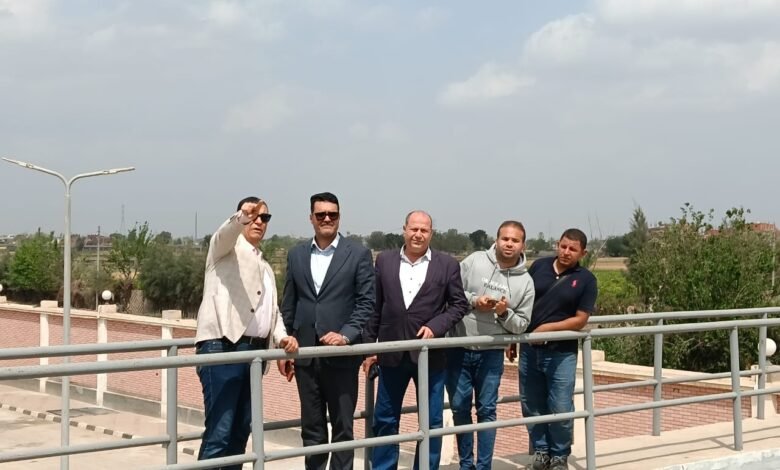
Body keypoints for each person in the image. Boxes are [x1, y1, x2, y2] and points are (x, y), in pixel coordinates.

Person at [195, 196, 298, 469]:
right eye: (254, 216)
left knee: (240, 431)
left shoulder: (265, 266)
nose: (259, 222)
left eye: (265, 217)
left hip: (254, 354)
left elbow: (271, 311)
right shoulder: (224, 250)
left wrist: (282, 338)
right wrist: (241, 216)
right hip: (223, 347)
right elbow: (223, 235)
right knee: (220, 432)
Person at [362, 210, 469, 470]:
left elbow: (459, 305)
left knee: (431, 423)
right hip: (391, 353)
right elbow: (375, 306)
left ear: (431, 233)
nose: (418, 234)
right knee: (385, 419)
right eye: (414, 229)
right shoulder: (384, 260)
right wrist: (369, 348)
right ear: (404, 230)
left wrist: (435, 326)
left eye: (424, 230)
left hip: (429, 356)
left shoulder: (447, 264)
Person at [279, 192, 375, 470]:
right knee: (312, 429)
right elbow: (289, 304)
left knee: (343, 428)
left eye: (332, 214)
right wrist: (284, 346)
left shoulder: (358, 254)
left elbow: (366, 302)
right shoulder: (296, 254)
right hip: (305, 355)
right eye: (320, 214)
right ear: (311, 218)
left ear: (339, 217)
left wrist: (346, 334)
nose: (327, 219)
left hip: (341, 357)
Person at [446, 220, 535, 470]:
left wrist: (504, 313)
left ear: (522, 245)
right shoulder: (474, 261)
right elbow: (451, 292)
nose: (509, 244)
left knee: (487, 410)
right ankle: (466, 464)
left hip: (492, 353)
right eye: (505, 238)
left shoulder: (526, 282)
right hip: (458, 347)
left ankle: (484, 466)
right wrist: (475, 301)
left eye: (515, 240)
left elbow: (522, 324)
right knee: (459, 408)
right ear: (496, 240)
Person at [511, 228, 598, 470]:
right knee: (531, 404)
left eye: (573, 249)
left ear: (583, 253)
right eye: (563, 246)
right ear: (557, 244)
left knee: (560, 406)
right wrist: (512, 339)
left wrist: (547, 329)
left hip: (561, 353)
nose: (566, 252)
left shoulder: (586, 280)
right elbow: (521, 303)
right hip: (529, 350)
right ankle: (541, 453)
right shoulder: (539, 267)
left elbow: (581, 319)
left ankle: (559, 456)